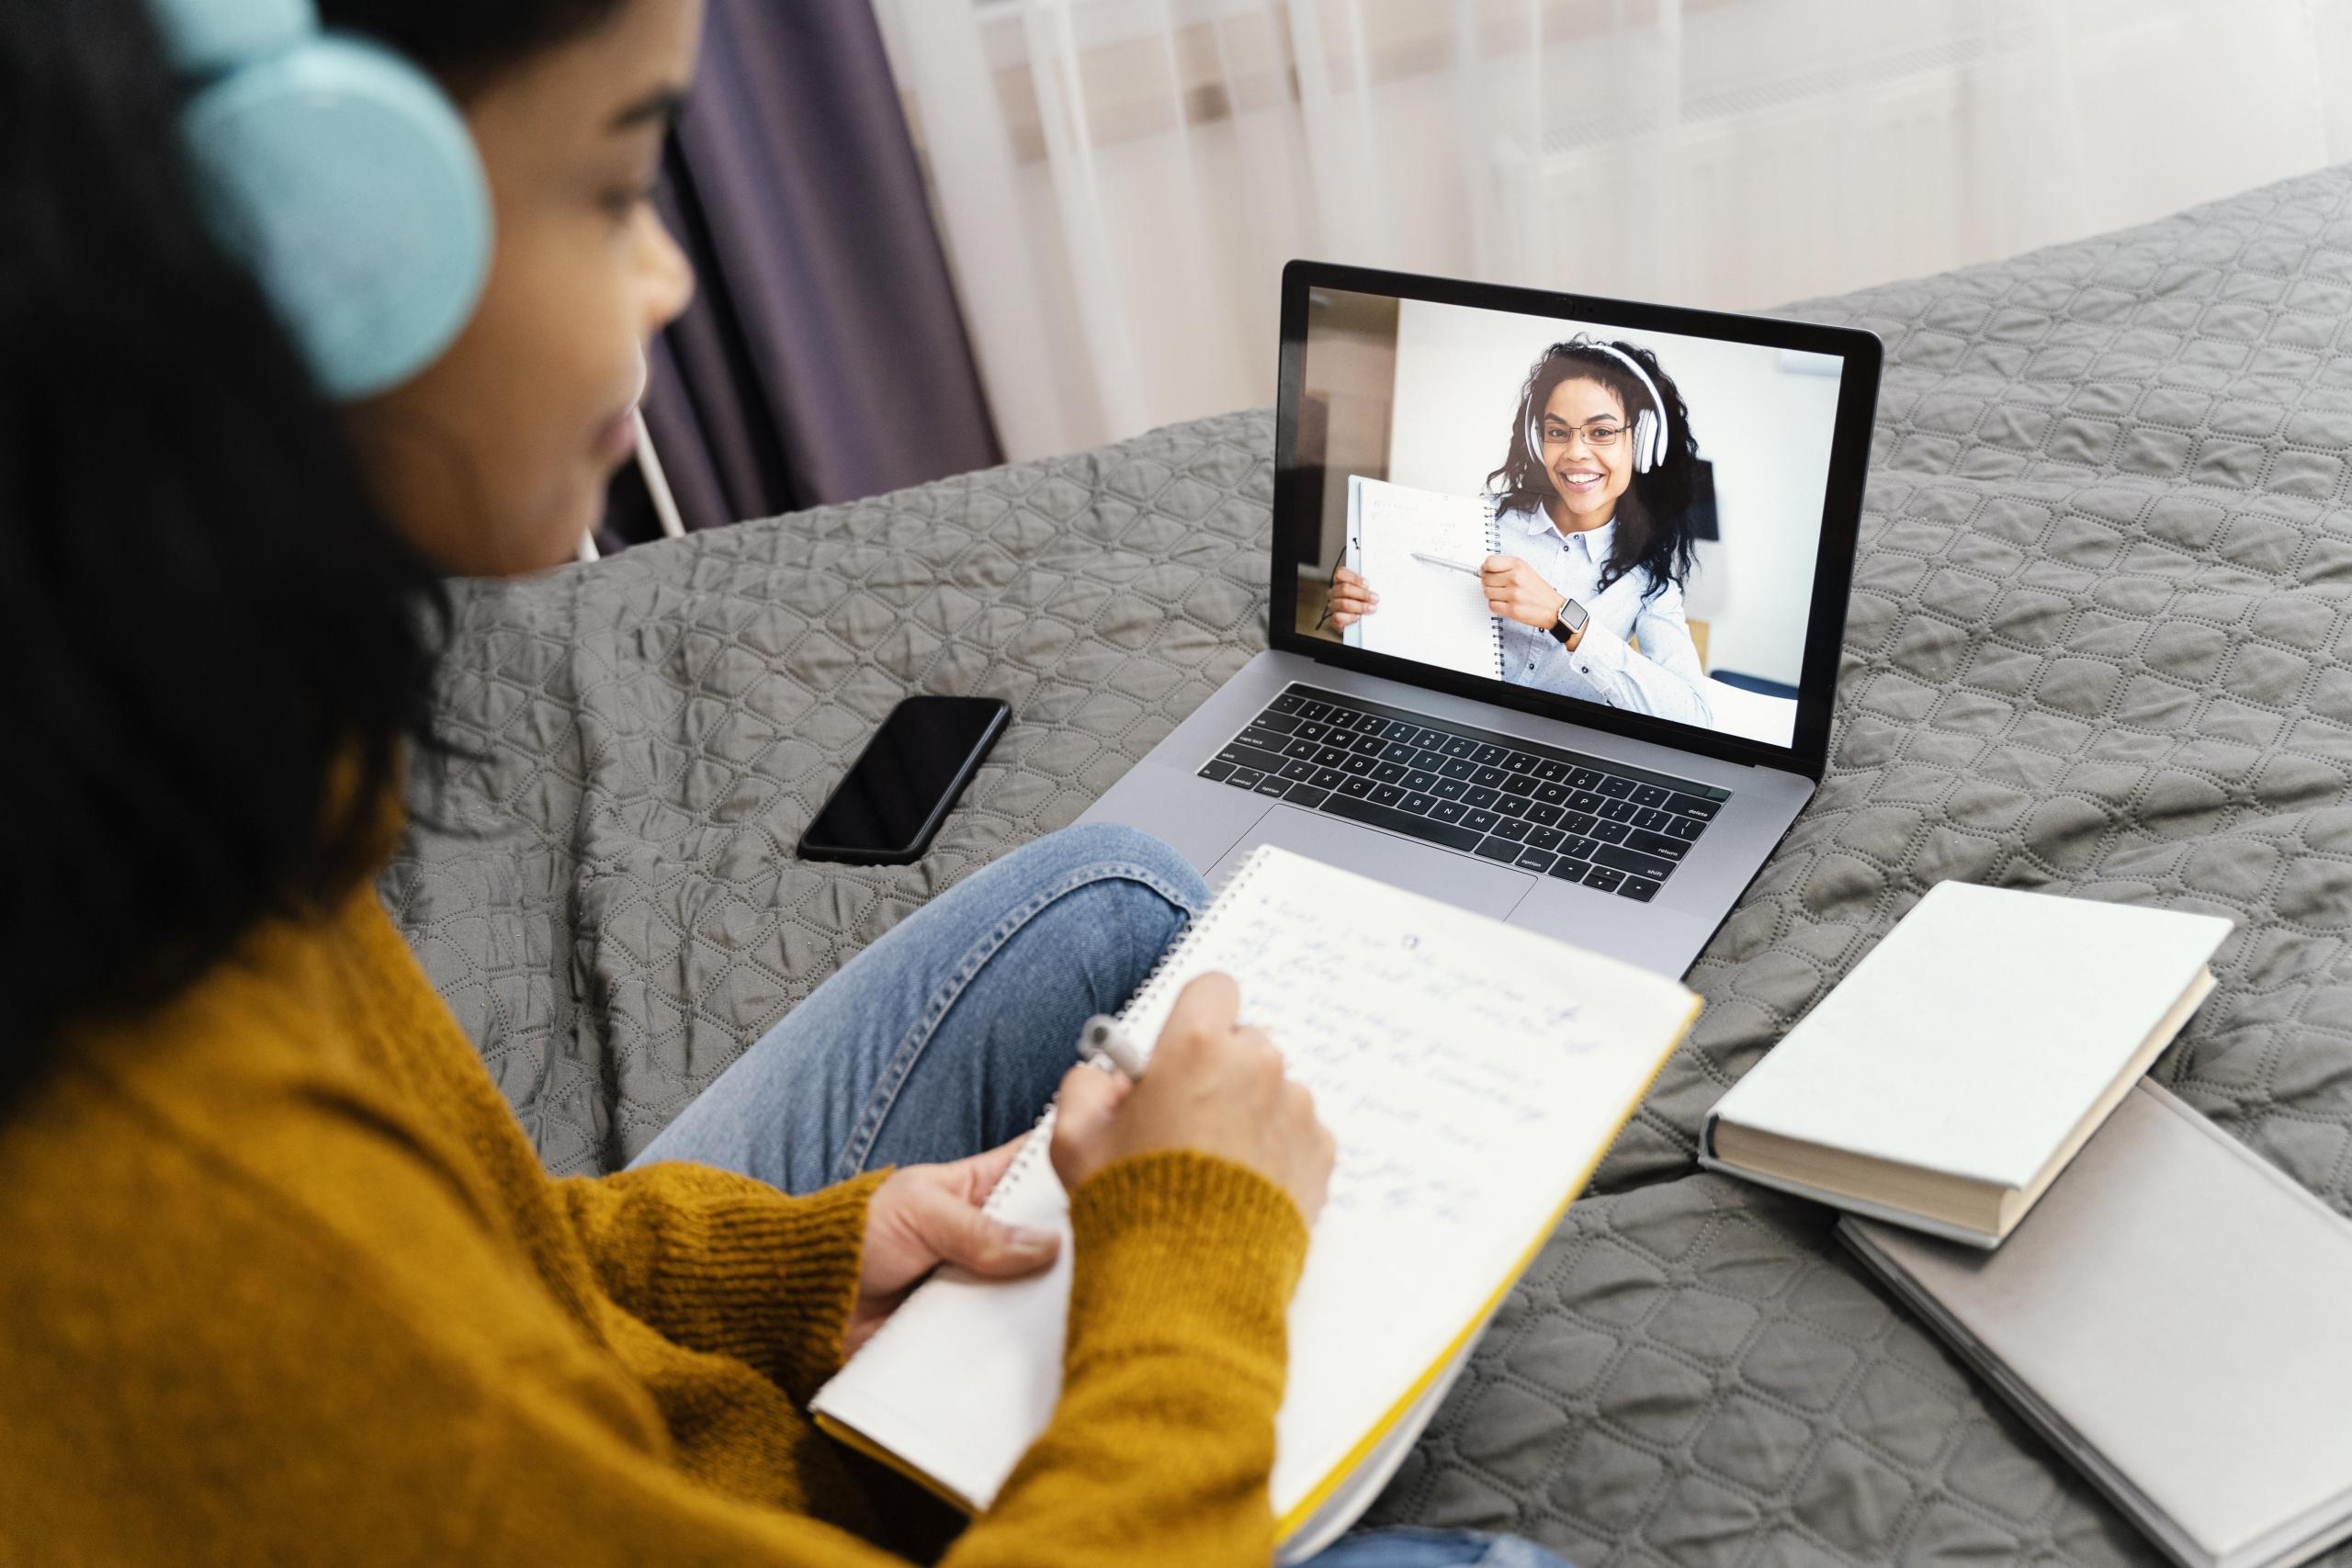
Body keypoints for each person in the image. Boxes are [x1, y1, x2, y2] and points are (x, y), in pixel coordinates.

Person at [0, 3, 1574, 1564]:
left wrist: (786, 1267)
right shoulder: (203, 1221)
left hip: (641, 1409)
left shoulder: (182, 797)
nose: (672, 277)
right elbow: (373, 1315)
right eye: (617, 192)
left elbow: (475, 1238)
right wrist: (1192, 1266)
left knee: (1121, 897)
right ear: (318, 256)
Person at [1330, 338, 1713, 728]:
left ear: (1644, 443)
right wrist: (1359, 619)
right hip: (1443, 730)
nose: (1576, 452)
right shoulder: (1482, 521)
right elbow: (1410, 643)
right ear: (1537, 440)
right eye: (1558, 432)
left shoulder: (1650, 583)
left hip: (1552, 766)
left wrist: (1564, 617)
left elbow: (1694, 715)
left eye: (1601, 432)